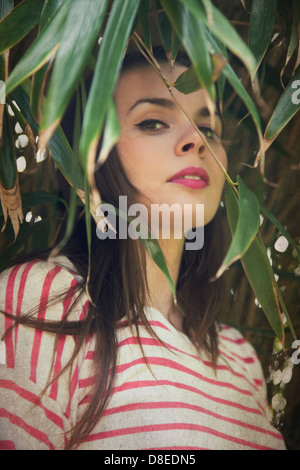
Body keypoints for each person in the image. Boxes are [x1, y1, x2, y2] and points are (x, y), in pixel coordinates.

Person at [0, 46, 285, 450]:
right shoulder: (42, 300)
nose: (195, 142)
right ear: (93, 154)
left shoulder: (239, 358)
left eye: (209, 129)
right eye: (153, 122)